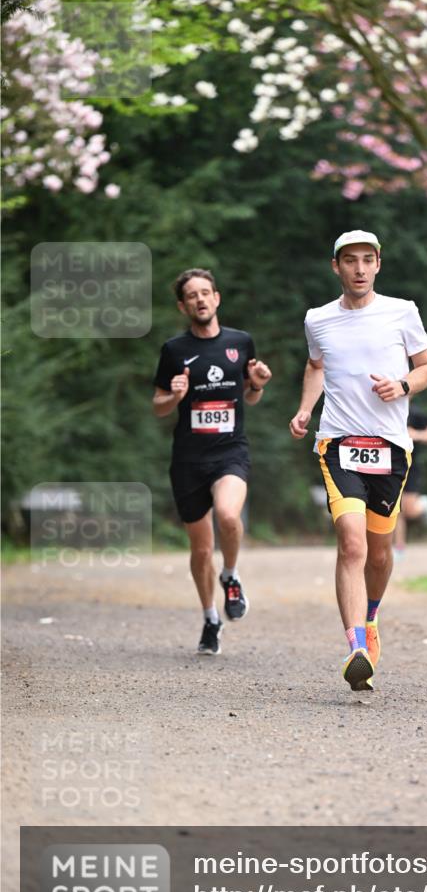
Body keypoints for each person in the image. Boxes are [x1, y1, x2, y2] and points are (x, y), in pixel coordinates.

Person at [289, 230, 427, 691]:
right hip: (338, 444)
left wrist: (404, 386)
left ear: (378, 264)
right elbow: (316, 366)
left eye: (366, 260)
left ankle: (370, 619)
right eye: (349, 260)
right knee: (351, 543)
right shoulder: (318, 319)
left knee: (379, 552)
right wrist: (305, 409)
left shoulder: (402, 311)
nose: (358, 268)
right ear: (336, 266)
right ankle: (355, 646)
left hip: (391, 446)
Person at [152, 268, 272, 655]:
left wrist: (256, 383)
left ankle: (231, 576)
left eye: (206, 292)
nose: (200, 299)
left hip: (229, 451)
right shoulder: (173, 351)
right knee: (201, 549)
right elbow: (158, 407)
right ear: (183, 305)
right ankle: (210, 618)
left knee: (228, 515)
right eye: (192, 295)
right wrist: (174, 395)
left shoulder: (240, 342)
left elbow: (251, 397)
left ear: (217, 298)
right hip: (188, 459)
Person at [393, 403, 427, 556]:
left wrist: (415, 435)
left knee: (409, 510)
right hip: (388, 465)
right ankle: (399, 547)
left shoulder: (415, 412)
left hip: (410, 467)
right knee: (395, 509)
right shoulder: (382, 410)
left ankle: (423, 504)